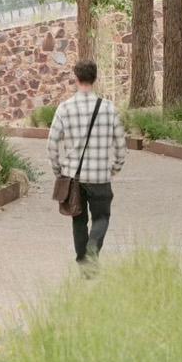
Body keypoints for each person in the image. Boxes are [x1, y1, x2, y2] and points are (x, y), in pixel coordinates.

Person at [46, 60, 127, 271]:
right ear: (95, 79)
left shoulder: (64, 108)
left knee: (78, 220)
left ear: (75, 78)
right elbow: (120, 143)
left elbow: (52, 143)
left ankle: (84, 261)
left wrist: (59, 171)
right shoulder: (108, 108)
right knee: (101, 217)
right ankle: (92, 250)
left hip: (74, 177)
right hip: (101, 176)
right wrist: (116, 166)